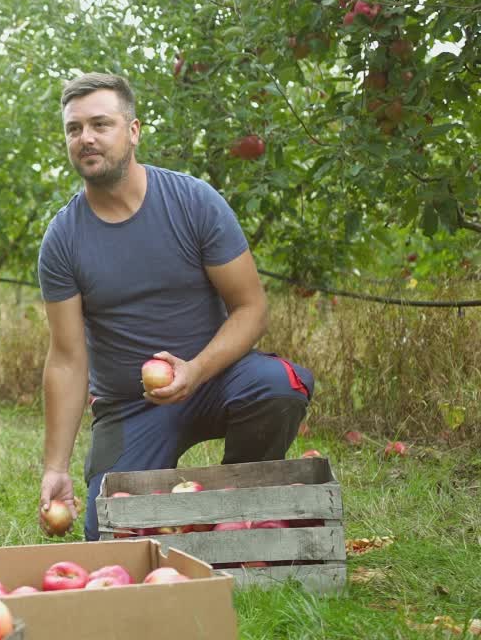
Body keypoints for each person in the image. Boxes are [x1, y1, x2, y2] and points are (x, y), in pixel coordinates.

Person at [36, 73, 315, 541]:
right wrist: (55, 467)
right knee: (108, 533)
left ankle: (238, 508)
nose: (86, 138)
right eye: (74, 128)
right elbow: (66, 358)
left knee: (277, 387)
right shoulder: (63, 240)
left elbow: (251, 309)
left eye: (100, 124)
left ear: (134, 131)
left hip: (215, 379)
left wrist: (197, 370)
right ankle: (172, 515)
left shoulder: (193, 202)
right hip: (129, 406)